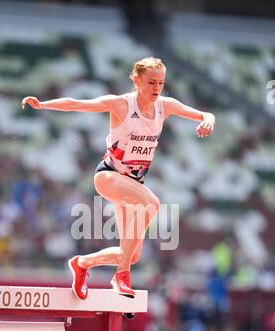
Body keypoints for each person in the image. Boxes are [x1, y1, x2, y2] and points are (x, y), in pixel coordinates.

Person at [22, 57, 215, 300]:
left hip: (133, 186)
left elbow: (205, 114)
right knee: (152, 204)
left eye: (161, 83)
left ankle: (82, 264)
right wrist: (42, 104)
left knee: (131, 254)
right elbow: (78, 104)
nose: (156, 88)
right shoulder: (121, 104)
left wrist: (208, 120)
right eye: (151, 83)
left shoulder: (165, 106)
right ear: (136, 80)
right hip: (108, 176)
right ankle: (121, 275)